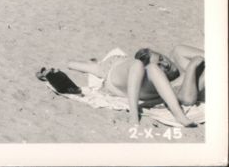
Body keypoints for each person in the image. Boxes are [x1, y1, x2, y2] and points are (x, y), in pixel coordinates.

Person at [67, 45, 204, 127]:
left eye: (162, 58)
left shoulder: (161, 73)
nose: (166, 64)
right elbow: (139, 70)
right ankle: (178, 115)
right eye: (160, 64)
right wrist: (133, 114)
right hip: (112, 73)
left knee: (89, 66)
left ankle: (87, 62)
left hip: (123, 69)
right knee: (86, 66)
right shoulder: (146, 68)